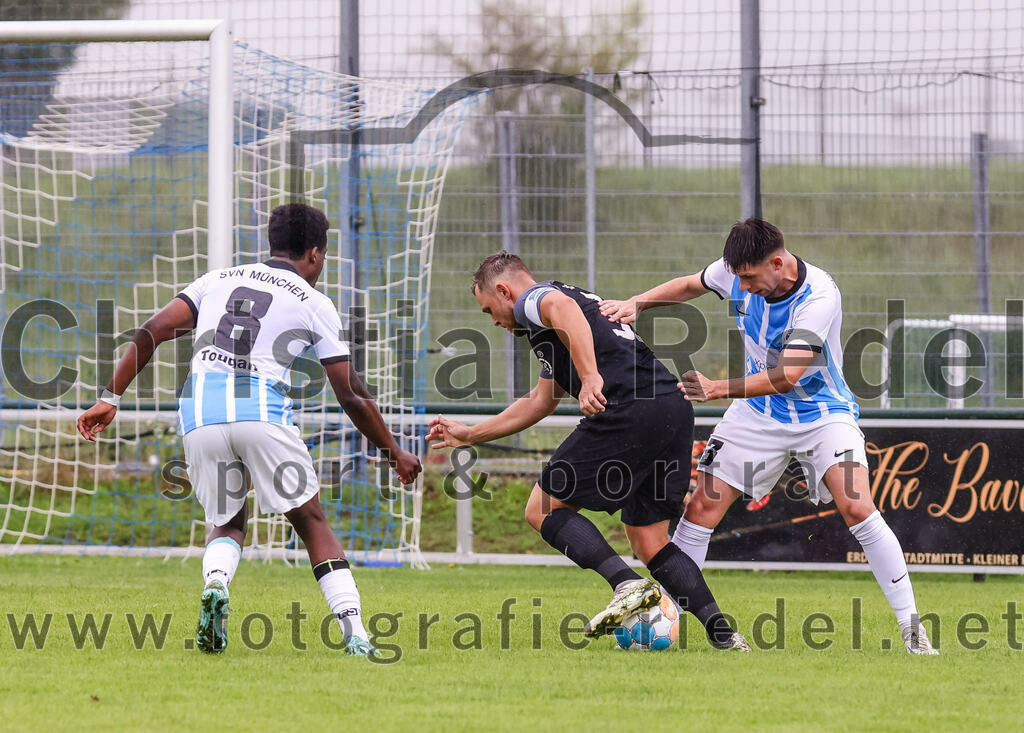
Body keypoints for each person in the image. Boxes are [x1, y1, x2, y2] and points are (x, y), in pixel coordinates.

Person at [77, 203, 421, 657]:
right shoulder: (313, 302)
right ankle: (355, 633)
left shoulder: (217, 280)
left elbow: (152, 330)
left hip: (199, 412)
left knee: (227, 521)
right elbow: (351, 393)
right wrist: (394, 450)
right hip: (260, 411)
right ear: (315, 254)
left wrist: (111, 397)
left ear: (271, 242)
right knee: (311, 521)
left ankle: (217, 584)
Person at [600, 218, 938, 655]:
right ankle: (665, 618)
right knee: (700, 509)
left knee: (857, 505)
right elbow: (689, 285)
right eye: (737, 277)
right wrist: (638, 302)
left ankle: (913, 631)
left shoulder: (819, 296)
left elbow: (787, 376)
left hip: (823, 415)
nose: (741, 287)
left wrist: (717, 388)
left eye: (748, 278)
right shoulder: (735, 271)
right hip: (757, 414)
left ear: (777, 264)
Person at [427, 251, 749, 651]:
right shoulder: (560, 318)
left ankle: (626, 584)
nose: (494, 321)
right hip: (671, 408)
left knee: (543, 509)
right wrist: (471, 434)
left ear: (504, 291)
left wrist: (591, 376)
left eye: (489, 310)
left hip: (628, 408)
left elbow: (562, 310)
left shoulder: (534, 300)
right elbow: (540, 401)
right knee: (649, 539)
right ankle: (724, 635)